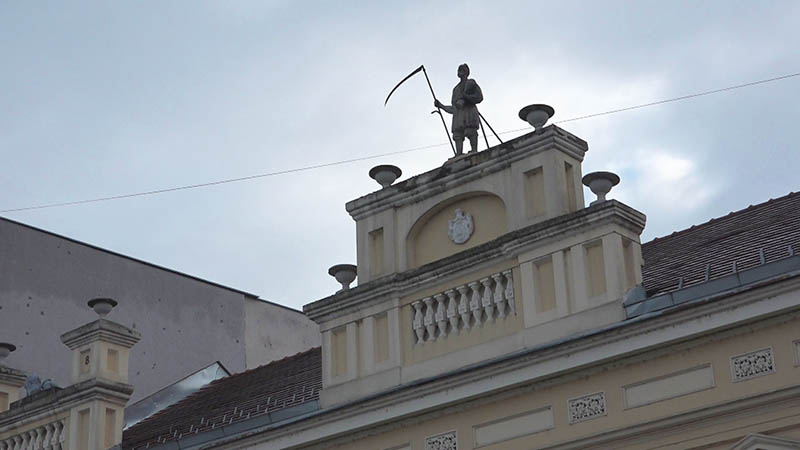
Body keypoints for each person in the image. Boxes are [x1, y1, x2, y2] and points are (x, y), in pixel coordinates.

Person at [434, 64, 483, 154]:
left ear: (466, 72)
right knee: (457, 135)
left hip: (469, 112)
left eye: (461, 70)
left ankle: (474, 151)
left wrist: (466, 98)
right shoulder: (455, 89)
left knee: (470, 131)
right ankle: (459, 154)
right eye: (458, 70)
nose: (459, 71)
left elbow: (479, 97)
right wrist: (441, 106)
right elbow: (453, 108)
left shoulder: (471, 83)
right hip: (458, 116)